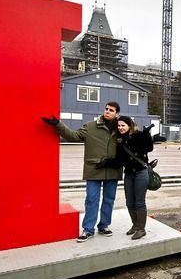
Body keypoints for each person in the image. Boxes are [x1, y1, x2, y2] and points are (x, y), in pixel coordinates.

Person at [42, 102, 123, 242]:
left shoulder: (120, 128)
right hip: (94, 169)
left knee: (109, 200)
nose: (107, 111)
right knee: (91, 200)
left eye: (111, 110)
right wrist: (58, 124)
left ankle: (104, 226)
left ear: (117, 114)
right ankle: (88, 229)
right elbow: (74, 136)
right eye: (106, 109)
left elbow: (134, 139)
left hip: (112, 170)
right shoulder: (90, 126)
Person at [116, 116, 154, 240]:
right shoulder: (120, 139)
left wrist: (147, 135)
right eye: (119, 125)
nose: (120, 128)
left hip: (140, 173)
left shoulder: (138, 135)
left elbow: (149, 148)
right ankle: (135, 225)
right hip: (128, 175)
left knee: (139, 202)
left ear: (129, 125)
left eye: (123, 125)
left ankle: (141, 229)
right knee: (129, 202)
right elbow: (119, 159)